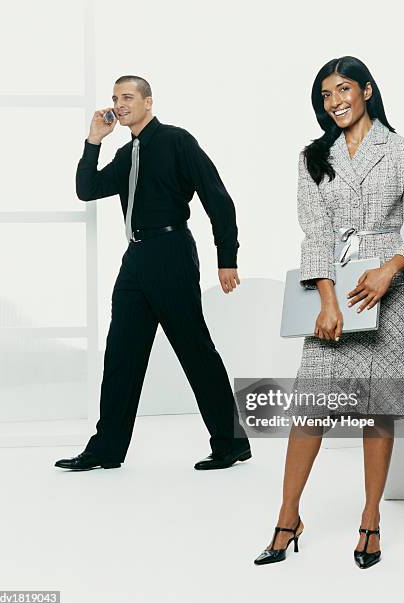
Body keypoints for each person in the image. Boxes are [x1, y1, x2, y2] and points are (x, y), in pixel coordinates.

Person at [254, 56, 404, 568]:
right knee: (310, 405)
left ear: (367, 90)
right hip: (333, 290)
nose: (335, 102)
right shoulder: (314, 157)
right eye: (326, 96)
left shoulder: (403, 151)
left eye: (343, 90)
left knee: (377, 410)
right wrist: (328, 300)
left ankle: (371, 519)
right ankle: (288, 516)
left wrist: (389, 270)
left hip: (389, 294)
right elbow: (314, 232)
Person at [55, 75, 251, 472]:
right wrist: (94, 141)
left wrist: (226, 257)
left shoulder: (177, 141)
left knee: (194, 349)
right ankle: (106, 449)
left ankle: (231, 443)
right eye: (114, 97)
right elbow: (87, 188)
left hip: (172, 251)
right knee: (121, 353)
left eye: (127, 97)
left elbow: (217, 196)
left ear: (148, 101)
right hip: (137, 257)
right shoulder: (127, 155)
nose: (119, 103)